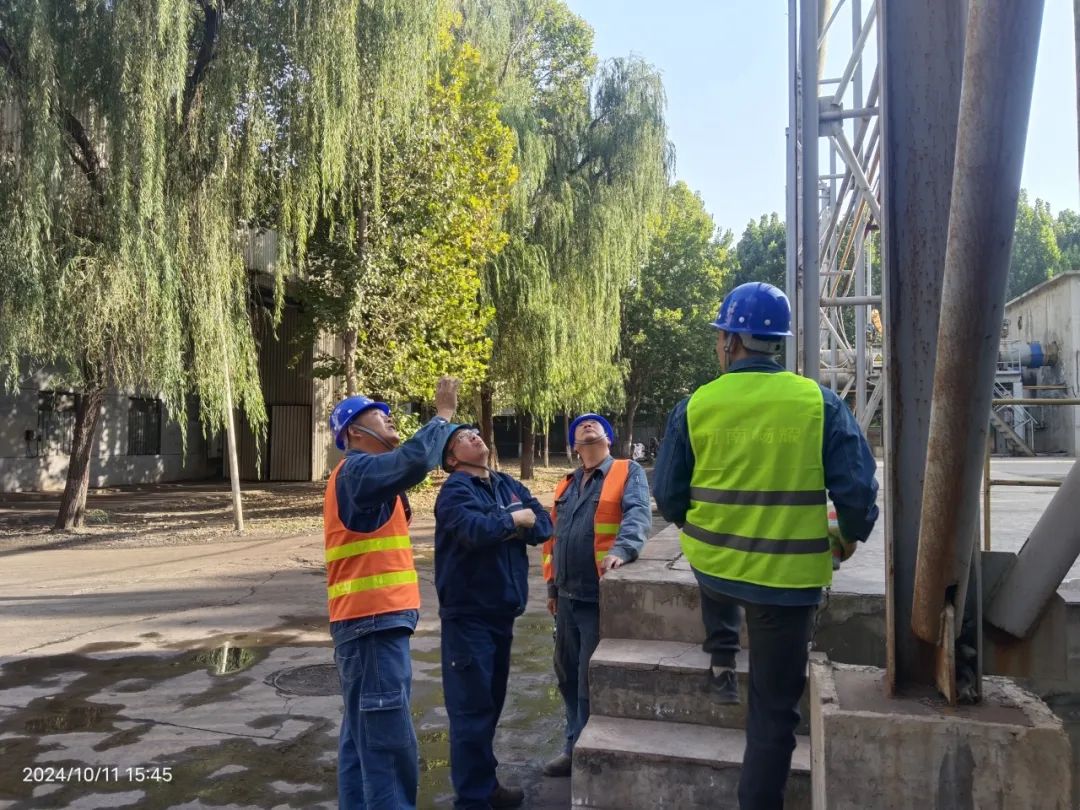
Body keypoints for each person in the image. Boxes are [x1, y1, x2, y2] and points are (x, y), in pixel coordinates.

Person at [653, 282, 879, 810]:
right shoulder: (819, 402)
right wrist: (848, 537)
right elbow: (857, 493)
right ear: (777, 342)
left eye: (720, 336)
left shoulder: (695, 405)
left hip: (716, 568)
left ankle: (722, 653)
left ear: (731, 341)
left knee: (716, 584)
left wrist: (699, 527)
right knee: (773, 715)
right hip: (787, 585)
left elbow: (668, 496)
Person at [324, 377, 460, 809]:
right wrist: (442, 416)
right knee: (387, 748)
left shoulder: (364, 477)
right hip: (372, 626)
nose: (390, 418)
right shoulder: (357, 470)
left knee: (361, 744)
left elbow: (404, 468)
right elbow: (414, 460)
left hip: (367, 626)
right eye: (378, 415)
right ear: (354, 432)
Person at [434, 426, 554, 810]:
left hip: (502, 612)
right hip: (469, 616)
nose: (474, 436)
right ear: (452, 459)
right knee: (471, 712)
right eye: (463, 438)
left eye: (474, 432)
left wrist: (511, 521)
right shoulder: (455, 490)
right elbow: (474, 530)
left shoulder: (505, 484)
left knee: (490, 706)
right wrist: (515, 521)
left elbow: (543, 523)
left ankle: (485, 786)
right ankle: (472, 800)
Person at [540, 414, 652, 778]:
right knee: (567, 674)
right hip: (566, 597)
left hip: (597, 595)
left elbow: (638, 514)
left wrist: (623, 548)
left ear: (608, 438)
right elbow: (553, 538)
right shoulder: (566, 484)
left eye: (594, 424)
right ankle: (574, 745)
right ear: (575, 446)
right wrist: (552, 588)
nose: (587, 425)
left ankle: (588, 754)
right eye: (580, 426)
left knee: (590, 678)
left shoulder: (627, 471)